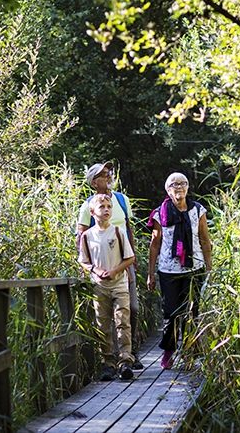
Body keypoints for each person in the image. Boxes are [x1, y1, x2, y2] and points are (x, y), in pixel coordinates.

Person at [76, 161, 144, 370]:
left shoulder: (121, 200)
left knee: (131, 309)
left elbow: (128, 229)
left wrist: (133, 261)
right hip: (100, 266)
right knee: (104, 316)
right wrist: (88, 267)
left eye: (109, 172)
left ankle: (129, 354)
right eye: (104, 174)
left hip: (124, 261)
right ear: (94, 182)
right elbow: (81, 237)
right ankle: (112, 358)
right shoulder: (88, 205)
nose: (109, 176)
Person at [146, 172, 212, 370]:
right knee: (171, 312)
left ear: (188, 187)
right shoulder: (160, 213)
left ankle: (191, 352)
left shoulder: (198, 210)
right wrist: (150, 273)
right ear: (168, 190)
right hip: (168, 270)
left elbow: (204, 239)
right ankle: (169, 350)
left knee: (192, 311)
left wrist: (209, 267)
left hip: (194, 268)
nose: (179, 187)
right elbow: (155, 244)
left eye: (182, 183)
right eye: (174, 184)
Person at [78, 193, 136, 381]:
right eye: (102, 207)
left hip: (119, 283)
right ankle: (108, 363)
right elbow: (83, 261)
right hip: (99, 285)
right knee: (103, 325)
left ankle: (125, 361)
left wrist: (114, 271)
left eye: (109, 207)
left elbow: (130, 258)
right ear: (92, 211)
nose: (106, 210)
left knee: (122, 321)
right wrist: (94, 269)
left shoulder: (118, 232)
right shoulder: (87, 236)